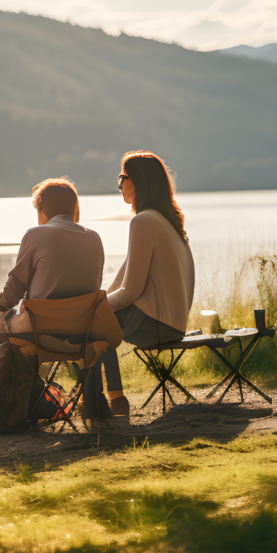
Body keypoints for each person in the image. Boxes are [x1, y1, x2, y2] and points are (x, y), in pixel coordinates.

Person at [0, 178, 105, 368]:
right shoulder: (94, 238)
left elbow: (14, 291)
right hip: (82, 333)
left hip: (39, 332)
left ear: (42, 209)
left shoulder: (36, 234)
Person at [92, 151, 195, 418]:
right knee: (95, 316)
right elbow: (121, 283)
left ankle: (101, 403)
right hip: (173, 325)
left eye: (122, 177)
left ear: (137, 181)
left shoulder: (144, 221)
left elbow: (130, 292)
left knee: (92, 324)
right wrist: (97, 301)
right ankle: (111, 400)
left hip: (156, 326)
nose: (120, 184)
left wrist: (92, 307)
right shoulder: (165, 221)